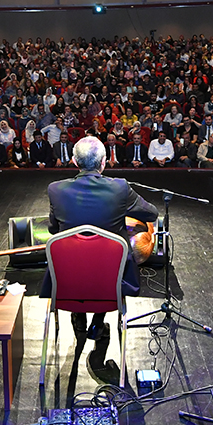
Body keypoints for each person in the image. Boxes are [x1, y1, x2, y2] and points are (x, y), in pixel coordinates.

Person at [39, 136, 159, 341]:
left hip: (66, 280)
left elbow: (53, 229)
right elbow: (152, 214)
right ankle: (98, 320)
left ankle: (78, 316)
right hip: (111, 281)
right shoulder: (120, 188)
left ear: (75, 162)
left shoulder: (55, 189)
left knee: (78, 254)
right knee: (107, 255)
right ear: (103, 162)